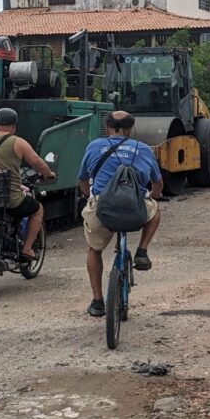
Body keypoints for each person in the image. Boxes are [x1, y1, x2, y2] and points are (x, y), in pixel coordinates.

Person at [77, 111, 163, 317]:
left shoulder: (94, 146)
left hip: (102, 209)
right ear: (130, 129)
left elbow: (82, 180)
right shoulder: (142, 149)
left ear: (108, 128)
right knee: (155, 211)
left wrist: (92, 196)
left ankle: (98, 302)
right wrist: (154, 196)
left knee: (94, 250)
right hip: (135, 207)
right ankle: (142, 251)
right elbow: (158, 184)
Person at [0, 108, 56, 260]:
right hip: (10, 199)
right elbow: (37, 162)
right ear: (14, 126)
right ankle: (27, 249)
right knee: (37, 210)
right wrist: (48, 174)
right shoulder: (18, 143)